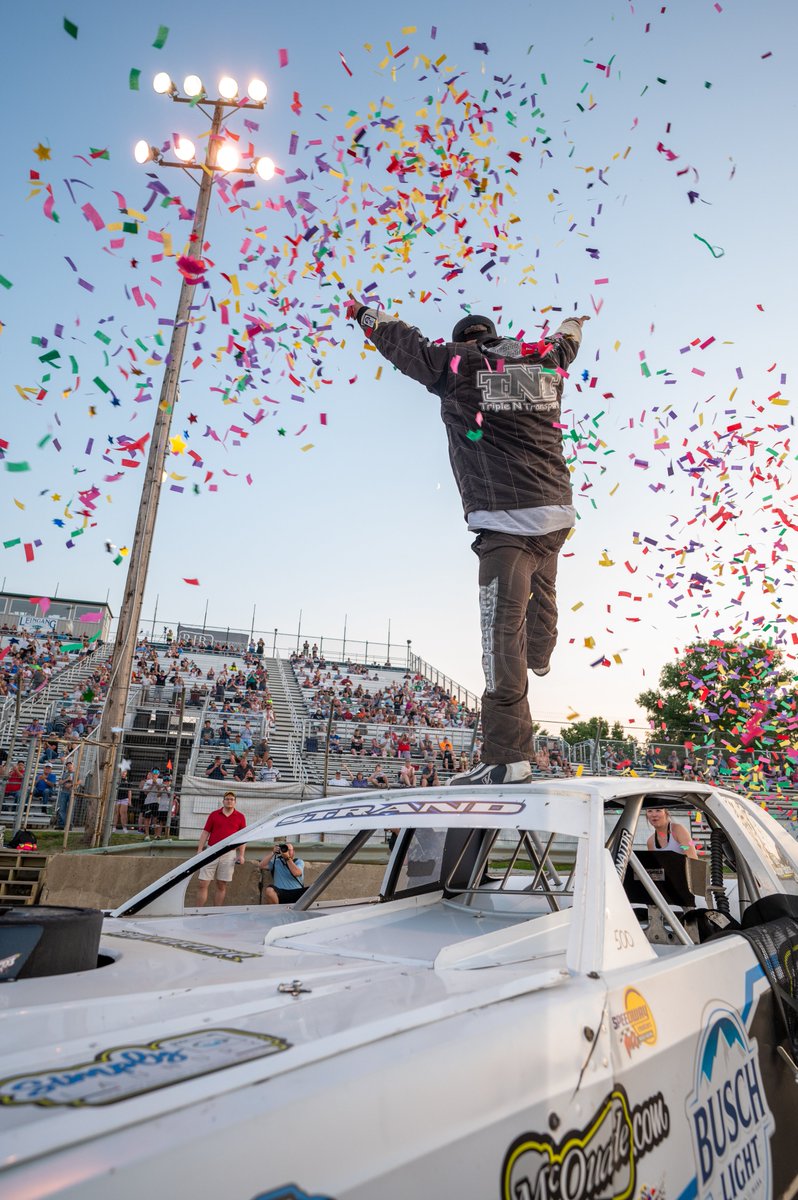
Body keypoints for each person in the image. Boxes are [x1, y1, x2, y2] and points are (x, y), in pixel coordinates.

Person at [347, 299, 588, 784]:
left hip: (505, 522)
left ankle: (506, 756)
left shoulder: (454, 363)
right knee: (544, 585)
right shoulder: (540, 359)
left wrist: (363, 314)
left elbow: (403, 345)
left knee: (500, 638)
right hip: (557, 512)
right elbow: (568, 345)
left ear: (463, 339)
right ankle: (541, 653)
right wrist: (573, 323)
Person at [195, 791, 247, 906]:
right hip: (211, 851)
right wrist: (200, 849)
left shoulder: (240, 817)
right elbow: (205, 832)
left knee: (221, 884)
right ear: (223, 801)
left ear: (235, 802)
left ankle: (215, 911)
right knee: (203, 883)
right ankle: (197, 911)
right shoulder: (214, 814)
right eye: (227, 799)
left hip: (229, 853)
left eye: (232, 799)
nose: (229, 801)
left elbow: (243, 838)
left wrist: (241, 855)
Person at [259, 841, 307, 905]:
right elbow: (261, 866)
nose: (287, 852)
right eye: (285, 849)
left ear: (294, 852)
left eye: (289, 850)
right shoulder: (276, 862)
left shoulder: (298, 862)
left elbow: (296, 873)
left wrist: (287, 858)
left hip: (297, 892)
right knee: (269, 890)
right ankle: (277, 911)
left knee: (313, 889)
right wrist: (273, 852)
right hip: (281, 893)